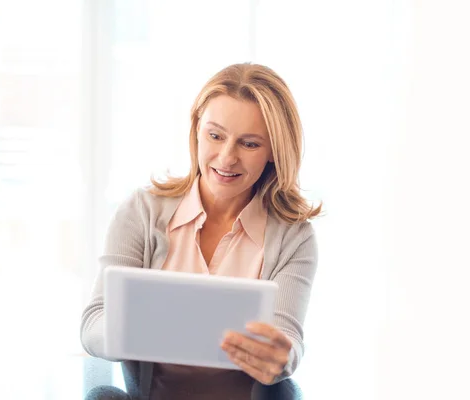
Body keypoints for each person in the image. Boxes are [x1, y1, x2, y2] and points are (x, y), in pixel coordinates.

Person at [80, 63, 322, 400]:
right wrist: (129, 331)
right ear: (197, 130)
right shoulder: (141, 210)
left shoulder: (294, 237)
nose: (227, 157)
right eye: (215, 135)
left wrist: (283, 358)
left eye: (249, 144)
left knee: (284, 391)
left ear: (273, 153)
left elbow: (287, 337)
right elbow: (93, 323)